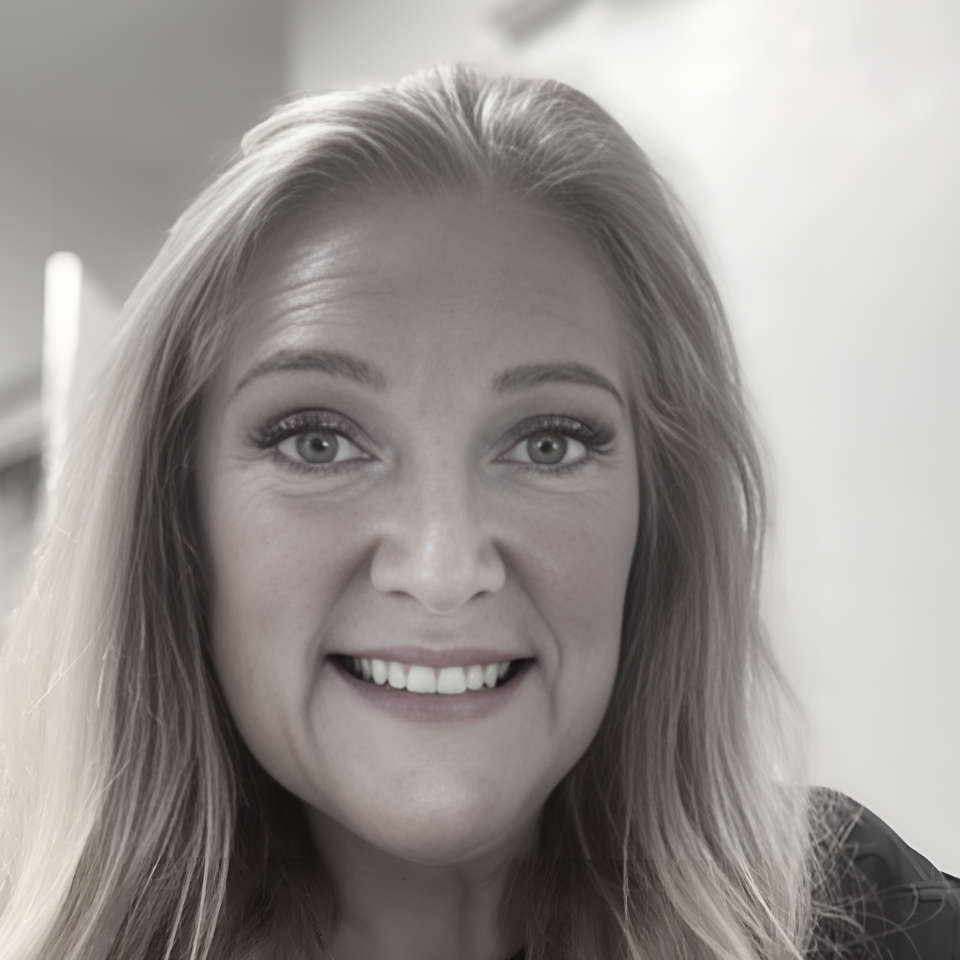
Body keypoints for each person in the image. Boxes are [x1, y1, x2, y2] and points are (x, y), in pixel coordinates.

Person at [0, 64, 955, 960]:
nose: (444, 568)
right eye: (318, 438)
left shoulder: (857, 914)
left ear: (654, 521)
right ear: (178, 527)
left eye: (548, 443)